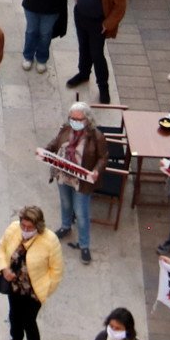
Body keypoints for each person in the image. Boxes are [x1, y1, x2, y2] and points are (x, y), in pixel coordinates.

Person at [0, 205, 63, 340]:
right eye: (23, 225)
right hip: (15, 286)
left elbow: (57, 270)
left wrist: (45, 290)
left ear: (38, 226)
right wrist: (4, 269)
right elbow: (2, 248)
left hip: (34, 291)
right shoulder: (13, 229)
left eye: (29, 227)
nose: (25, 229)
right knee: (14, 315)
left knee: (28, 320)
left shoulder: (50, 241)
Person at [44, 100, 108, 264]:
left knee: (81, 212)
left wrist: (96, 171)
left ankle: (84, 244)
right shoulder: (66, 129)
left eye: (79, 119)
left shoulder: (97, 136)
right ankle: (66, 226)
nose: (75, 122)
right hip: (63, 175)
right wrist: (46, 150)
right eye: (72, 118)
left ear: (87, 119)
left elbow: (103, 157)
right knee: (65, 203)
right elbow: (56, 142)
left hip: (82, 182)